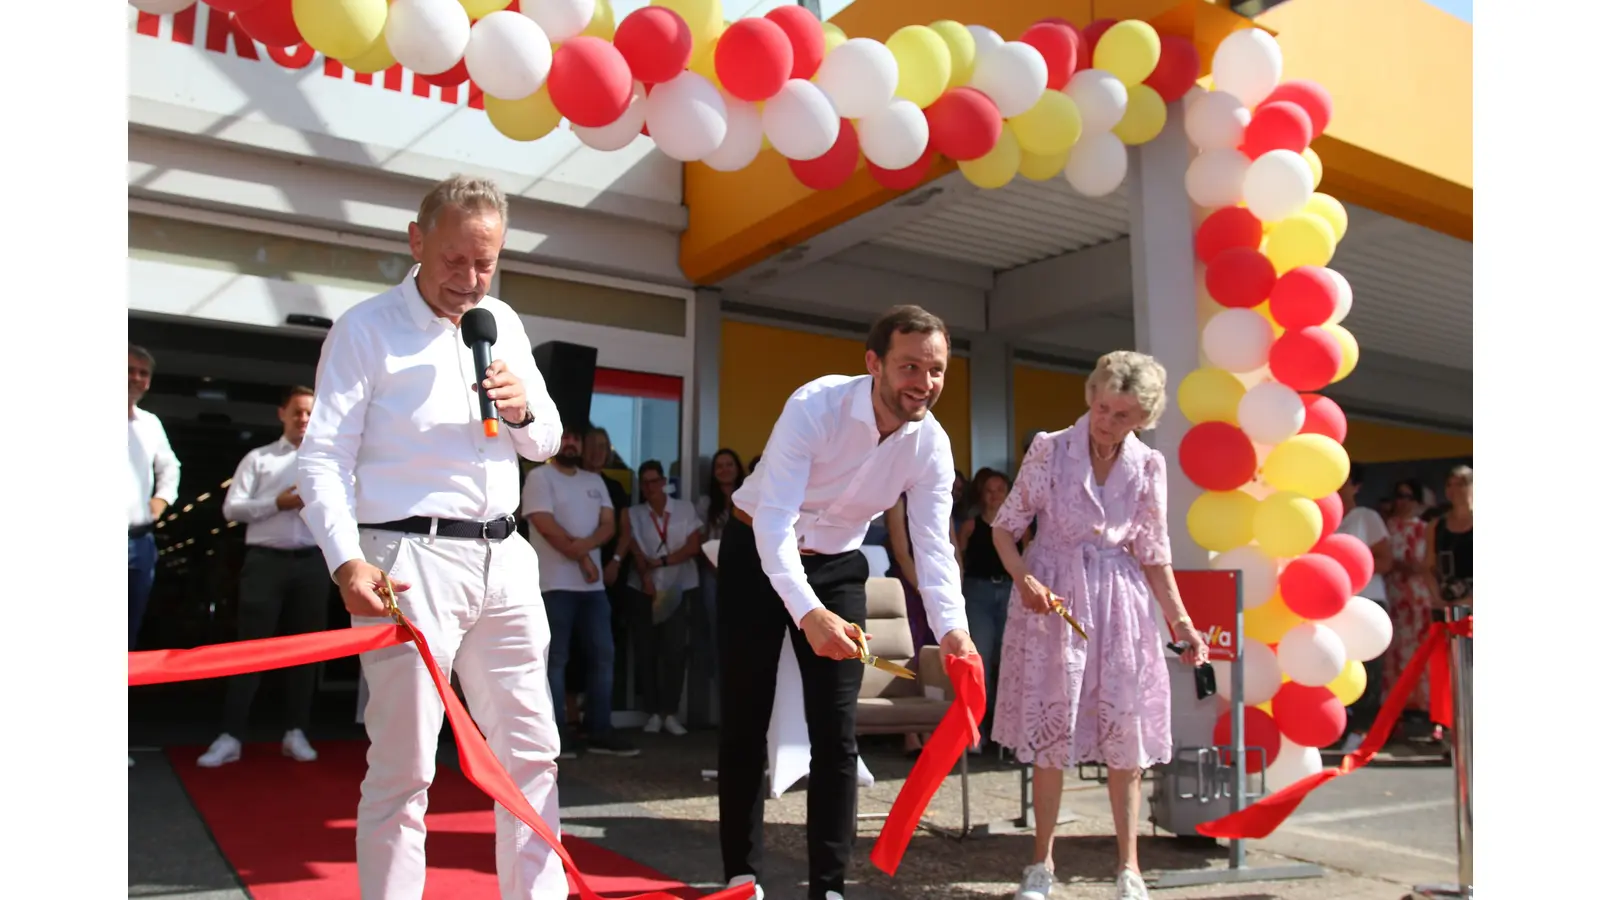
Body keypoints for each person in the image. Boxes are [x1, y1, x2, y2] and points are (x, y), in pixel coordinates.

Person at [296, 174, 568, 900]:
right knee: (405, 766)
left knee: (534, 755)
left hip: (506, 561)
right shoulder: (366, 329)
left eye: (487, 263)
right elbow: (323, 455)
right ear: (417, 241)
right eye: (456, 261)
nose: (471, 281)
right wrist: (345, 559)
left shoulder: (500, 321)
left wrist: (521, 410)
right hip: (405, 563)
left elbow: (546, 440)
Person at [716, 305, 976, 900]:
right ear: (874, 363)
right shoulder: (816, 406)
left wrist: (953, 630)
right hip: (757, 550)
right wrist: (807, 615)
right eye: (909, 366)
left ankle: (828, 887)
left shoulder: (932, 445)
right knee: (745, 718)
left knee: (836, 730)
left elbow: (935, 546)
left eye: (936, 371)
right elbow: (775, 524)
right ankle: (740, 875)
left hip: (837, 568)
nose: (923, 383)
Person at [989, 351, 1208, 900]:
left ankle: (1129, 869)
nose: (1109, 421)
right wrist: (1023, 578)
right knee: (1051, 736)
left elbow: (1154, 552)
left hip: (1120, 603)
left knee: (1125, 737)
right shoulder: (1049, 448)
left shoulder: (1148, 466)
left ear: (1143, 420)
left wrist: (1182, 622)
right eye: (1104, 407)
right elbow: (1004, 528)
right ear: (1091, 395)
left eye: (1124, 415)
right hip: (1052, 599)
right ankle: (1040, 866)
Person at [199, 386, 326, 767]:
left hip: (312, 561)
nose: (304, 419)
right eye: (297, 412)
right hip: (265, 560)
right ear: (282, 414)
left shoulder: (329, 461)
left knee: (307, 651)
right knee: (250, 648)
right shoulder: (259, 458)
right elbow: (231, 509)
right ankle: (231, 735)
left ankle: (296, 732)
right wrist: (278, 503)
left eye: (310, 413)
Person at [523, 428, 638, 758]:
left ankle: (599, 730)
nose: (571, 444)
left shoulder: (593, 481)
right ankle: (555, 734)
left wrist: (585, 555)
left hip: (593, 589)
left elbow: (609, 525)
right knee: (555, 660)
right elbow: (545, 525)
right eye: (566, 438)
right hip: (554, 585)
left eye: (576, 439)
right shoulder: (540, 478)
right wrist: (586, 558)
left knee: (603, 656)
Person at [626, 460, 703, 735]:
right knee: (647, 652)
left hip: (677, 589)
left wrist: (661, 562)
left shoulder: (683, 508)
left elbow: (694, 545)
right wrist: (646, 574)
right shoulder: (634, 513)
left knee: (674, 651)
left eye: (654, 481)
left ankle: (670, 712)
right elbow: (633, 548)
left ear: (663, 481)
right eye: (644, 483)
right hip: (644, 589)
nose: (650, 487)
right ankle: (652, 712)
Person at [955, 467, 1019, 750]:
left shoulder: (1019, 527)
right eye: (989, 491)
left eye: (1000, 490)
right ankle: (975, 730)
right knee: (979, 658)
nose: (994, 496)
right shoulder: (970, 525)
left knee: (1009, 661)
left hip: (1009, 591)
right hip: (977, 591)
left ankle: (1006, 732)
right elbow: (960, 557)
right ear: (981, 494)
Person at [1334, 464, 1394, 752]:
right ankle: (1340, 725)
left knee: (1369, 668)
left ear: (1356, 486)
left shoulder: (1366, 517)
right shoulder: (1323, 518)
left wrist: (1353, 569)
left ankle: (1362, 730)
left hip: (1367, 601)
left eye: (1343, 481)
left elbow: (1386, 560)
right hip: (1333, 604)